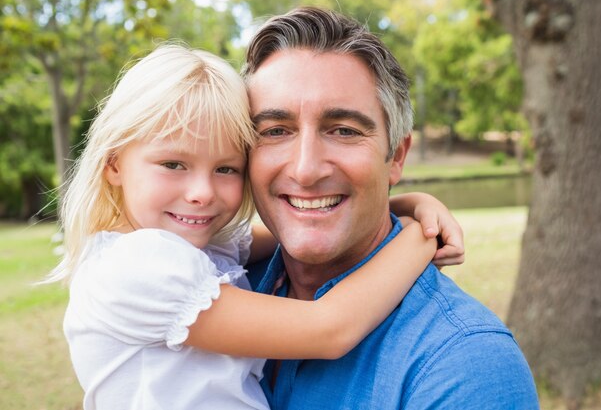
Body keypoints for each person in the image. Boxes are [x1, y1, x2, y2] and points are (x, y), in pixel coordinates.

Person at [46, 43, 464, 410]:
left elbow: (303, 222)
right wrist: (418, 239)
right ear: (114, 163)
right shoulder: (136, 267)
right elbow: (330, 328)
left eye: (226, 168)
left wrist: (405, 202)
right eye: (173, 164)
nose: (201, 193)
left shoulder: (195, 242)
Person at [242, 7, 540, 409]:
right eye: (275, 131)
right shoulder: (214, 277)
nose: (306, 169)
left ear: (396, 156)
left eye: (344, 130)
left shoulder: (464, 365)